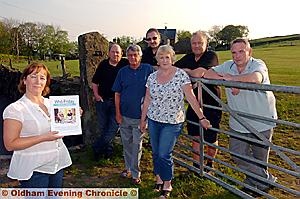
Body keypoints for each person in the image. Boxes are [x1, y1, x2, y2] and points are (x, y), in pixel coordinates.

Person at [203, 38, 277, 193]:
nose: (237, 56)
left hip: (261, 121)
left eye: (241, 51)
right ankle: (267, 180)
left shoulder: (258, 64)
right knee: (237, 153)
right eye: (234, 52)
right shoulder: (229, 65)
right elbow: (208, 73)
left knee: (260, 159)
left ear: (249, 52)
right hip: (238, 122)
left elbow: (256, 79)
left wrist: (234, 80)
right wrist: (227, 80)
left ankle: (255, 187)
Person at [140, 45, 211, 198]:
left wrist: (202, 117)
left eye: (167, 57)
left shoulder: (180, 75)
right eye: (161, 57)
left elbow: (191, 97)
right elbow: (147, 99)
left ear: (172, 59)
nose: (164, 60)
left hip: (172, 122)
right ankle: (158, 178)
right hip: (154, 119)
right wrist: (142, 119)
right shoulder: (152, 77)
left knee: (164, 153)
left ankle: (167, 183)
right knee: (156, 152)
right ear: (157, 60)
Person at [3, 62, 72, 188]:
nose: (38, 81)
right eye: (33, 76)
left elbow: (62, 126)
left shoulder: (53, 104)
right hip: (34, 170)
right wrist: (44, 137)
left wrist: (73, 116)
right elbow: (10, 144)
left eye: (42, 77)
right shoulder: (15, 109)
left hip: (57, 165)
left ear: (46, 82)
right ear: (24, 80)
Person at [175, 31, 222, 171]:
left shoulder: (211, 56)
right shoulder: (189, 57)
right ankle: (196, 166)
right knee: (195, 135)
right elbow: (173, 69)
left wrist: (187, 71)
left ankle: (209, 164)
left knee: (211, 137)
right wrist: (190, 71)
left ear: (206, 43)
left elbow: (198, 73)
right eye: (194, 43)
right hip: (194, 102)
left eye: (200, 43)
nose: (196, 46)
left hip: (211, 103)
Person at [112, 44, 154, 185]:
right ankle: (128, 168)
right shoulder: (122, 72)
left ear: (140, 56)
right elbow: (117, 93)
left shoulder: (148, 69)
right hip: (124, 115)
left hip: (140, 116)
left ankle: (136, 173)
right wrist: (118, 113)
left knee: (137, 145)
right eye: (130, 55)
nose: (132, 58)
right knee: (127, 144)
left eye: (135, 55)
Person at [91, 43, 129, 160]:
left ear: (122, 54)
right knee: (103, 127)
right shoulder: (103, 65)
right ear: (109, 53)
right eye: (113, 52)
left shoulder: (125, 64)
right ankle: (107, 152)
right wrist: (96, 95)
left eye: (118, 52)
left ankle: (96, 148)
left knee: (113, 128)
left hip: (117, 103)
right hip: (102, 101)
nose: (115, 54)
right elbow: (94, 82)